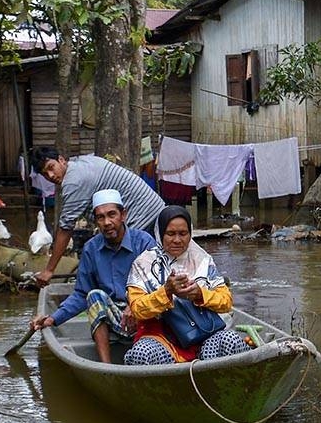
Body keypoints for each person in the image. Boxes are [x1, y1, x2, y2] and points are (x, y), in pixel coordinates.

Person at [29, 189, 156, 364]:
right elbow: (81, 294)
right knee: (94, 296)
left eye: (112, 215)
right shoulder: (91, 249)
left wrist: (135, 304)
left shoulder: (144, 242)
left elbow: (156, 284)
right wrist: (53, 318)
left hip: (143, 313)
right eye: (101, 217)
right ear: (96, 221)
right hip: (113, 318)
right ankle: (106, 366)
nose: (107, 222)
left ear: (123, 215)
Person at [124, 206, 250, 365]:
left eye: (183, 234)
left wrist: (200, 294)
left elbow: (226, 302)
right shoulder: (143, 264)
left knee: (230, 340)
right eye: (170, 234)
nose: (177, 240)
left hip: (204, 334)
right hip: (161, 339)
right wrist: (166, 292)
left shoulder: (202, 260)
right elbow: (137, 309)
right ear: (160, 233)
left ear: (190, 233)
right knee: (143, 353)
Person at [29, 146, 166, 287]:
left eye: (51, 167)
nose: (51, 176)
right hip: (157, 210)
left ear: (61, 160)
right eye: (45, 174)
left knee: (135, 273)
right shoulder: (82, 162)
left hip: (143, 218)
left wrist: (49, 270)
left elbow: (65, 228)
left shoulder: (73, 182)